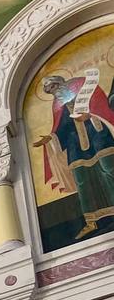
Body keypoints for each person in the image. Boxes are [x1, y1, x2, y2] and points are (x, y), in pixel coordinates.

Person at [34, 73, 114, 241]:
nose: (53, 92)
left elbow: (102, 106)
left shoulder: (84, 89)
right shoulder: (59, 104)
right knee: (83, 182)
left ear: (61, 83)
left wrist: (90, 115)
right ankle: (92, 221)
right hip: (76, 146)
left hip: (99, 136)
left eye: (54, 87)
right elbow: (61, 126)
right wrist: (50, 138)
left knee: (109, 169)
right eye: (49, 91)